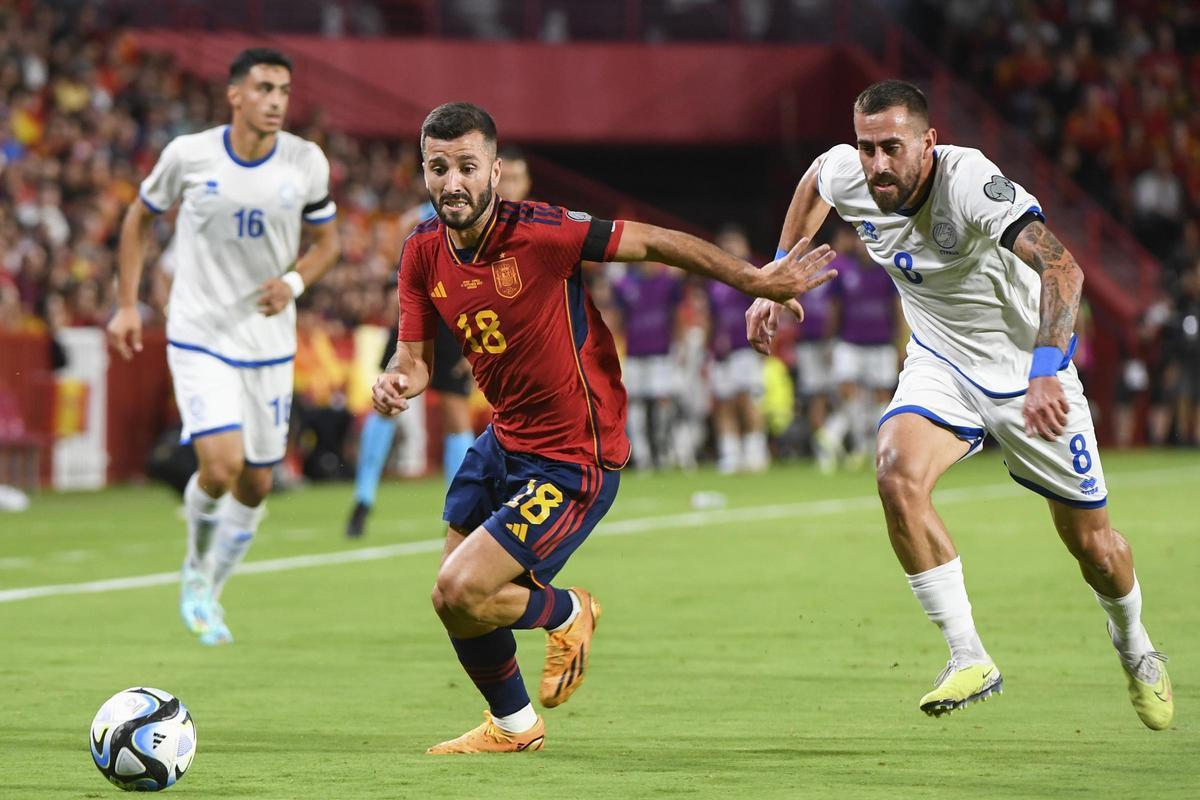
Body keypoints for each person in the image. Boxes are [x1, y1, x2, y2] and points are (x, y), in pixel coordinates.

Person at [372, 102, 836, 754]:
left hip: (573, 453)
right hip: (505, 440)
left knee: (464, 588)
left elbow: (651, 241)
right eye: (439, 167)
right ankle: (513, 725)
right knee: (454, 603)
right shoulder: (421, 251)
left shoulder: (542, 232)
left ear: (495, 173)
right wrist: (396, 381)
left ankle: (569, 611)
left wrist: (753, 277)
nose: (452, 182)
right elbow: (413, 359)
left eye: (467, 167)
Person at [746, 80, 1172, 730]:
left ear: (928, 142)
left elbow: (1064, 271)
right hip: (940, 364)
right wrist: (776, 275)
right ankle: (968, 654)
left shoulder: (970, 183)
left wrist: (1048, 370)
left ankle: (1135, 646)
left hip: (1030, 374)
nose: (878, 163)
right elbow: (815, 181)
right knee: (895, 474)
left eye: (892, 147)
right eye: (868, 147)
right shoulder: (849, 172)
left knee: (1095, 548)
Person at [107, 48, 341, 645]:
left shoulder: (306, 162)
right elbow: (138, 218)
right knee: (221, 464)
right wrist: (129, 303)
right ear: (235, 94)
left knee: (258, 483)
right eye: (264, 88)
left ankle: (212, 584)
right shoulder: (189, 155)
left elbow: (328, 242)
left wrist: (292, 283)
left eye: (284, 90)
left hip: (267, 341)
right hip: (200, 333)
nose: (275, 101)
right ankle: (193, 572)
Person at [347, 149, 534, 538]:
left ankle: (460, 508)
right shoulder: (436, 215)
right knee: (389, 398)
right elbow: (400, 253)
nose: (511, 185)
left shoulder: (528, 232)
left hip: (465, 328)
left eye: (518, 179)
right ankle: (362, 499)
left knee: (454, 415)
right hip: (422, 316)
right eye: (508, 177)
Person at [817, 224, 902, 471]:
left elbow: (897, 308)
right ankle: (843, 441)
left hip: (881, 343)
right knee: (848, 394)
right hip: (849, 342)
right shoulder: (843, 270)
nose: (861, 245)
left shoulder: (888, 270)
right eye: (858, 240)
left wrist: (900, 343)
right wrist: (829, 341)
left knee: (881, 398)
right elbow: (834, 308)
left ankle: (874, 448)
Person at [707, 225, 770, 473]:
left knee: (748, 401)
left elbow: (764, 310)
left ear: (744, 246)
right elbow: (713, 318)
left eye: (734, 243)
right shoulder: (715, 280)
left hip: (747, 348)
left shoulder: (754, 274)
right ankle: (730, 454)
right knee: (724, 403)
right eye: (726, 244)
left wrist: (765, 343)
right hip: (722, 353)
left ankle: (755, 452)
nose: (730, 249)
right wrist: (709, 346)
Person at [611, 261, 682, 470]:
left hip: (661, 351)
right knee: (634, 403)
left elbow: (675, 314)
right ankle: (641, 455)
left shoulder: (667, 282)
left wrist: (678, 344)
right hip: (634, 352)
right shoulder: (623, 284)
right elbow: (618, 318)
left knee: (663, 401)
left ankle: (662, 449)